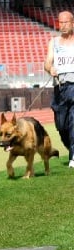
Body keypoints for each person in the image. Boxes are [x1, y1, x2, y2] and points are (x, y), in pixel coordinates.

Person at [44, 10, 74, 168]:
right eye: (60, 22)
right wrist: (50, 69)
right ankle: (72, 148)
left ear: (72, 23)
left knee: (73, 121)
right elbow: (47, 62)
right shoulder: (54, 42)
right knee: (61, 125)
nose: (62, 25)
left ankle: (73, 157)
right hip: (60, 87)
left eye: (66, 22)